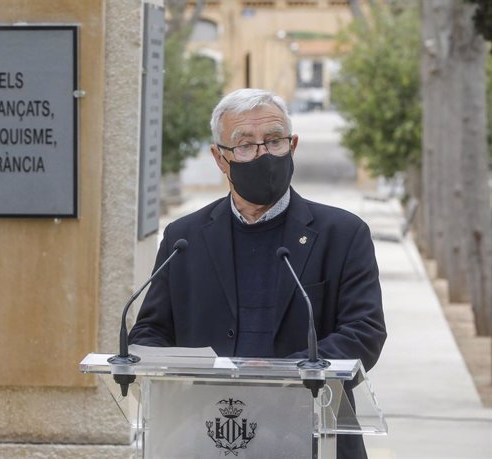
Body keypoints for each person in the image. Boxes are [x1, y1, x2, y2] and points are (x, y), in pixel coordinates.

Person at [128, 88, 387, 459]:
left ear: (292, 144)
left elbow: (365, 331)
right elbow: (151, 331)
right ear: (220, 158)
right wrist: (166, 369)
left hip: (313, 435)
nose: (263, 154)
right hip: (204, 436)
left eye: (274, 140)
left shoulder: (342, 234)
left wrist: (282, 375)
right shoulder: (184, 238)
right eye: (245, 145)